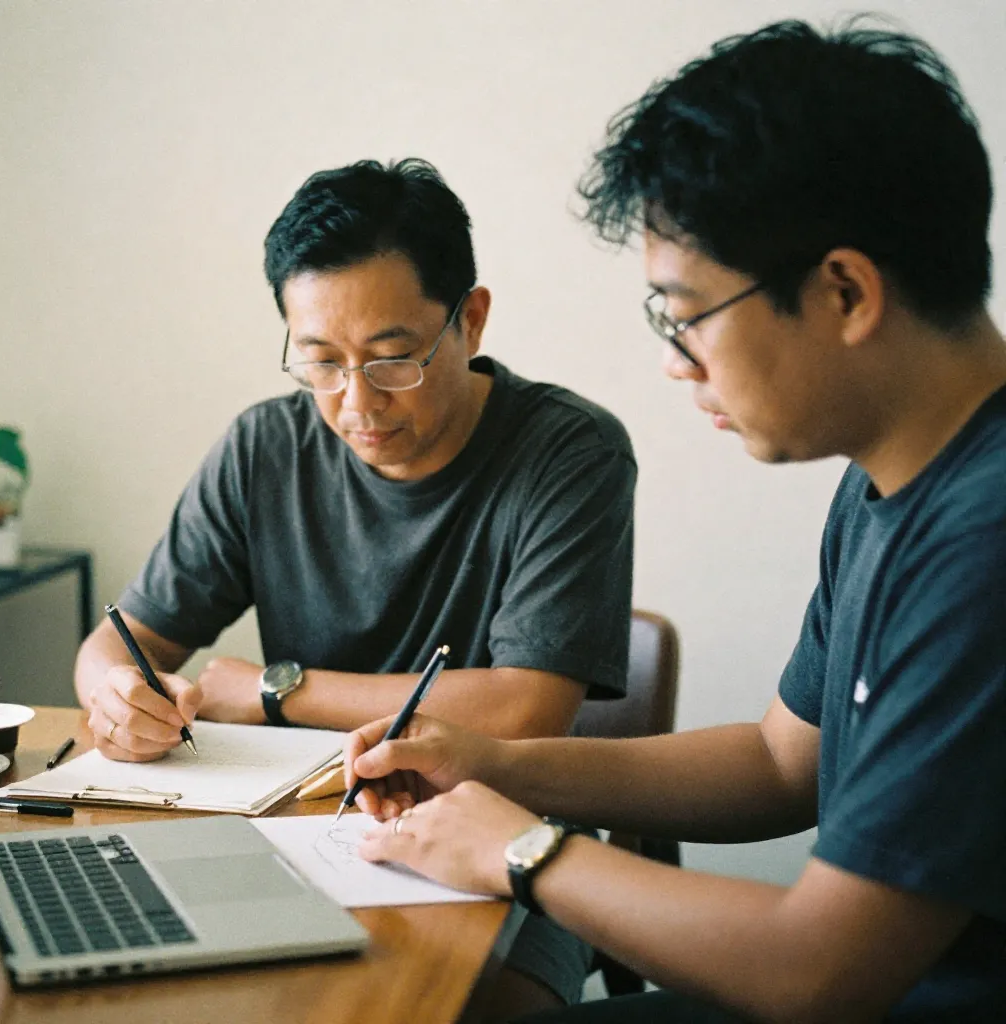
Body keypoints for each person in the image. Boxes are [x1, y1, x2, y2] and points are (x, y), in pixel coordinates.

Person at [340, 21, 1006, 1024]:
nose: (673, 360)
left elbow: (819, 971)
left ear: (844, 291)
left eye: (685, 314)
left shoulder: (983, 540)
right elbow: (781, 762)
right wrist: (488, 764)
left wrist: (518, 849)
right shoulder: (893, 483)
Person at [73, 158, 638, 1016]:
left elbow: (526, 711)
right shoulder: (264, 449)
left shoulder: (568, 453)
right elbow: (120, 643)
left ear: (470, 319)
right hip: (292, 828)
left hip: (501, 834)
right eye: (321, 362)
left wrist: (273, 691)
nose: (356, 403)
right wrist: (116, 697)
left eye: (392, 358)